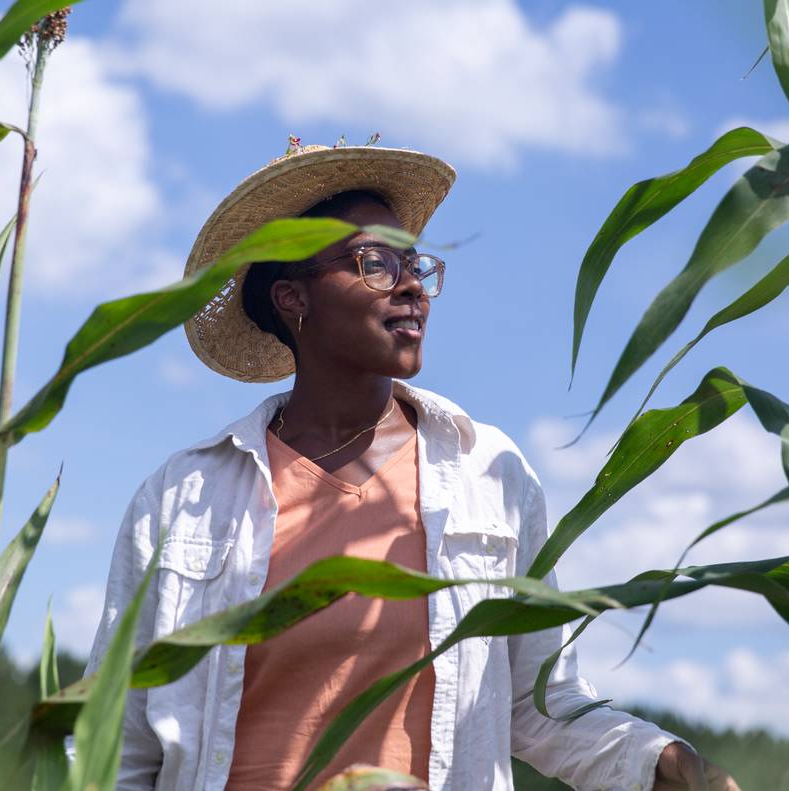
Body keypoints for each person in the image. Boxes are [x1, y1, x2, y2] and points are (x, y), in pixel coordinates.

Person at [85, 141, 740, 791]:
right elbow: (121, 745)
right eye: (374, 263)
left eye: (414, 266)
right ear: (293, 298)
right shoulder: (183, 498)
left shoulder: (490, 475)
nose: (410, 289)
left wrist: (666, 762)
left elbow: (541, 706)